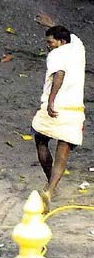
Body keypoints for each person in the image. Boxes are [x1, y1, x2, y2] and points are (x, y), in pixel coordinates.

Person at [31, 25, 86, 212]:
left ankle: (49, 182)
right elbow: (69, 33)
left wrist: (51, 100)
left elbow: (59, 75)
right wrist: (50, 23)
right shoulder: (78, 47)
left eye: (50, 42)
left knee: (40, 140)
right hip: (75, 110)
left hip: (55, 108)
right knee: (63, 153)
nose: (48, 46)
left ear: (61, 42)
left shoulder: (56, 55)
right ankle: (51, 190)